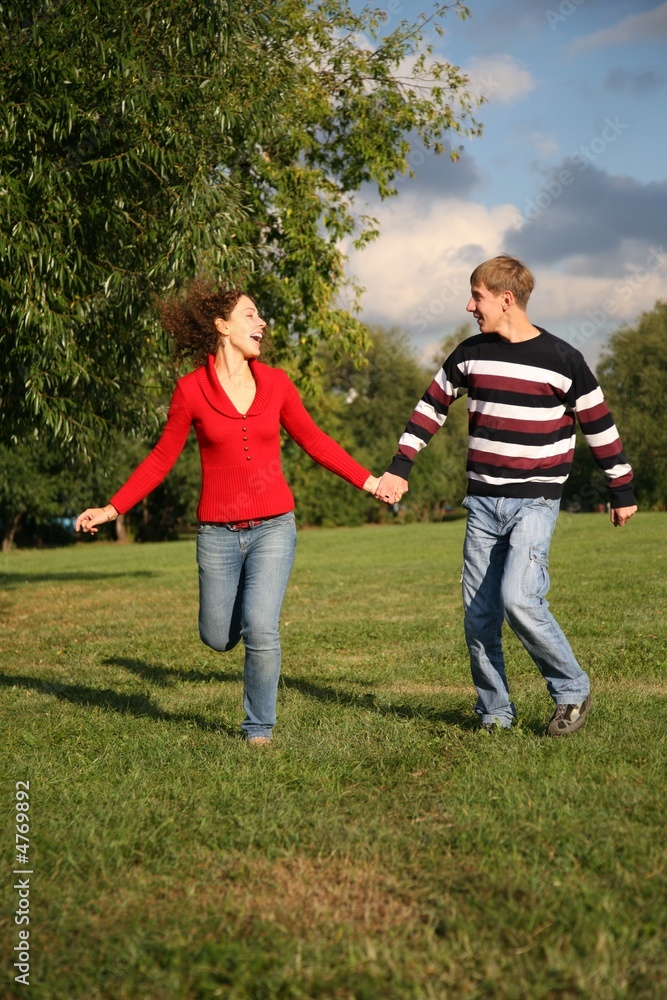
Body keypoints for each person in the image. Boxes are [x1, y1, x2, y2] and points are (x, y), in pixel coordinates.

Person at [76, 282, 380, 746]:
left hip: (274, 526)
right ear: (222, 326)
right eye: (251, 315)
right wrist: (111, 508)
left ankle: (259, 727)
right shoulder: (190, 390)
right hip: (217, 533)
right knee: (218, 637)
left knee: (262, 627)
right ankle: (239, 613)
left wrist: (369, 481)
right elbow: (161, 459)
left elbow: (315, 441)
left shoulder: (276, 383)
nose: (262, 324)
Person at [375, 254, 637, 736]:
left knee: (519, 599)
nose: (469, 305)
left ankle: (572, 690)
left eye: (477, 296)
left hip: (535, 500)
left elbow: (599, 425)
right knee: (479, 617)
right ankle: (495, 713)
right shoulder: (469, 353)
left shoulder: (563, 360)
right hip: (481, 504)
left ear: (505, 299)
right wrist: (400, 466)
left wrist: (620, 486)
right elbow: (430, 408)